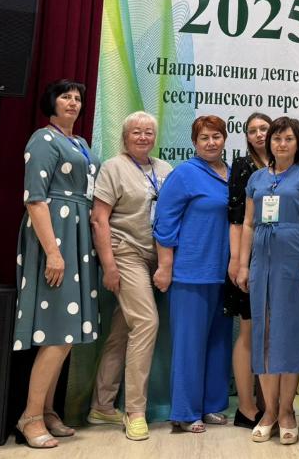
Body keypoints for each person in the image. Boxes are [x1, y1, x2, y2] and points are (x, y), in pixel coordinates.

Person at [12, 79, 101, 449]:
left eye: (78, 98)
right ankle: (30, 416)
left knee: (64, 335)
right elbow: (35, 199)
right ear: (52, 102)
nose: (73, 102)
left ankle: (48, 410)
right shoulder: (42, 139)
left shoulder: (80, 143)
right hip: (56, 236)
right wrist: (53, 251)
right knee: (57, 331)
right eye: (66, 96)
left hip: (77, 236)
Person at [235, 116, 299, 445]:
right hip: (262, 264)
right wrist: (243, 265)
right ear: (268, 143)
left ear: (298, 143)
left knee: (290, 334)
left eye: (288, 138)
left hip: (294, 262)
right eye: (276, 138)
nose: (281, 144)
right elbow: (247, 223)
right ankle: (269, 412)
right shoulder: (256, 178)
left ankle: (287, 411)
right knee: (264, 335)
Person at [87, 111, 173, 441]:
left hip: (154, 256)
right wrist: (109, 265)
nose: (143, 137)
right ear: (125, 137)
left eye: (148, 132)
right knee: (147, 322)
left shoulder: (165, 169)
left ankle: (102, 405)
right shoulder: (113, 167)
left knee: (124, 328)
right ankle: (135, 411)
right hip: (125, 253)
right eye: (136, 132)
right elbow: (99, 219)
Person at [152, 115, 233, 433]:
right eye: (204, 138)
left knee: (218, 342)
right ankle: (184, 412)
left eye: (216, 136)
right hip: (191, 273)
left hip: (223, 274)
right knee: (189, 344)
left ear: (225, 138)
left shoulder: (231, 174)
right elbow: (164, 222)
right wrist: (165, 266)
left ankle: (211, 405)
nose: (211, 143)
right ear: (194, 143)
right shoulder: (185, 174)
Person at [226, 112, 272, 429]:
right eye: (252, 130)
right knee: (249, 329)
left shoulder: (289, 167)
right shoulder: (243, 167)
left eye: (264, 128)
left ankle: (271, 405)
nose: (258, 134)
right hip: (249, 256)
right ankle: (246, 406)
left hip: (280, 258)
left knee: (271, 332)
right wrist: (237, 260)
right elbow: (237, 218)